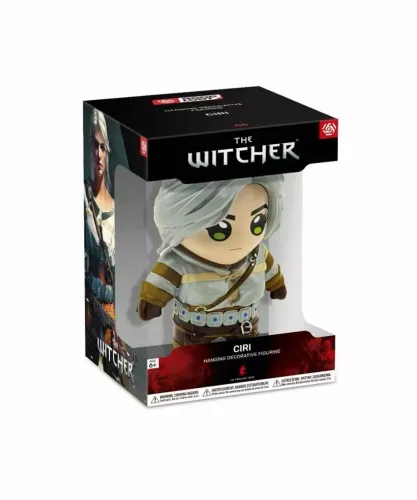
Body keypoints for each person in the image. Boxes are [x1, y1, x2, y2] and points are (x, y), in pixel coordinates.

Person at [138, 175, 287, 347]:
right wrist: (152, 300)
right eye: (219, 229)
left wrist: (277, 285)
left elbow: (271, 271)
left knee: (246, 361)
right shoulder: (178, 263)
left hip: (244, 327)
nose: (240, 240)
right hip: (194, 331)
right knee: (189, 363)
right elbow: (160, 282)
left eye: (258, 223)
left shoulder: (259, 254)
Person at [84, 109, 120, 379]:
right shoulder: (83, 199)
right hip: (87, 310)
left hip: (112, 315)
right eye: (94, 146)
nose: (98, 154)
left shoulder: (119, 209)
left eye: (102, 147)